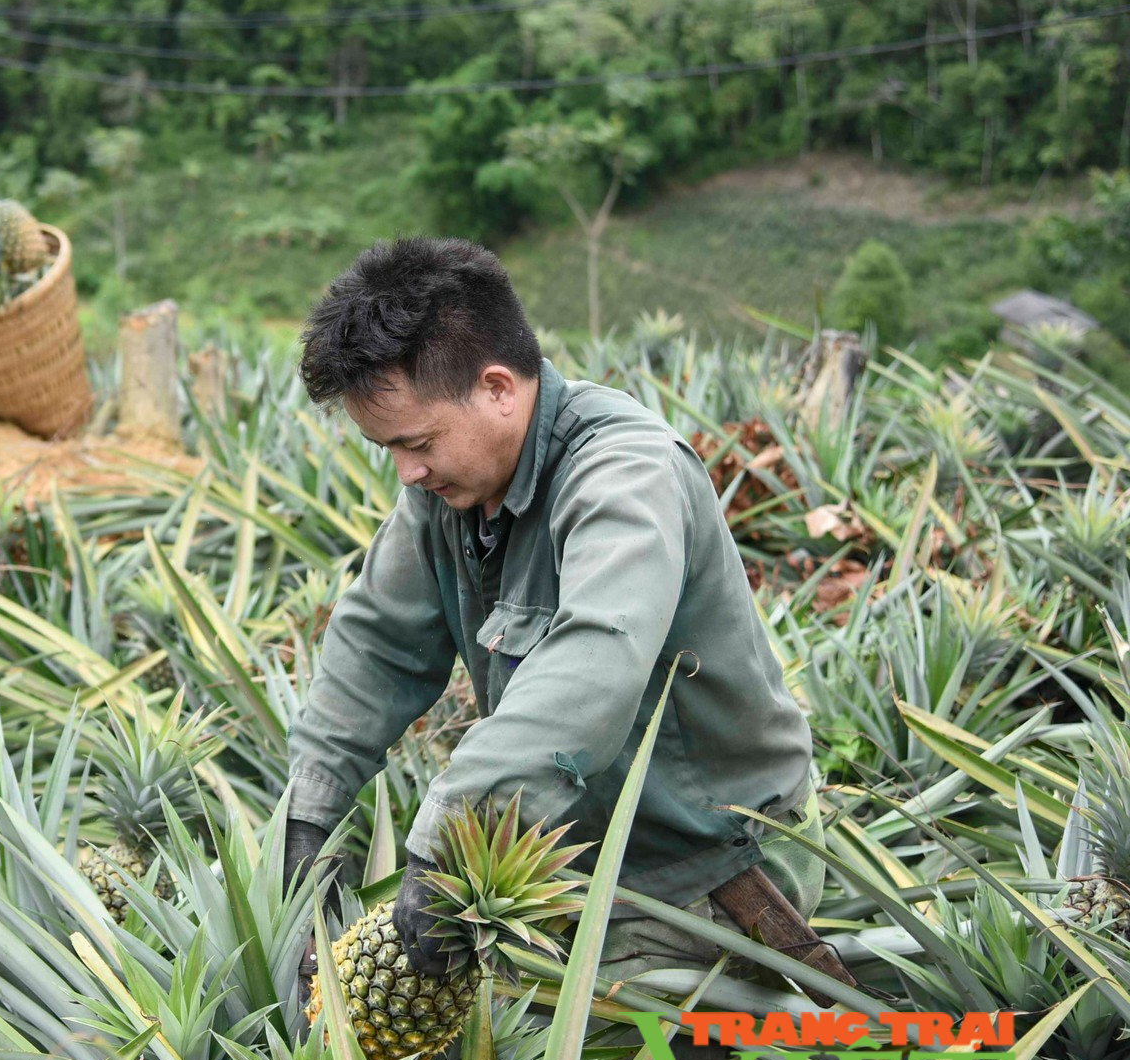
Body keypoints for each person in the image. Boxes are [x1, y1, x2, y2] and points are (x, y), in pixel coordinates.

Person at [281, 236, 835, 996]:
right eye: (390, 451)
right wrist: (310, 811)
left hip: (701, 874)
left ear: (499, 388)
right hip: (570, 860)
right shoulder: (450, 492)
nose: (406, 472)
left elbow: (593, 661)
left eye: (417, 443)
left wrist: (444, 844)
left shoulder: (626, 475)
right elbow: (377, 642)